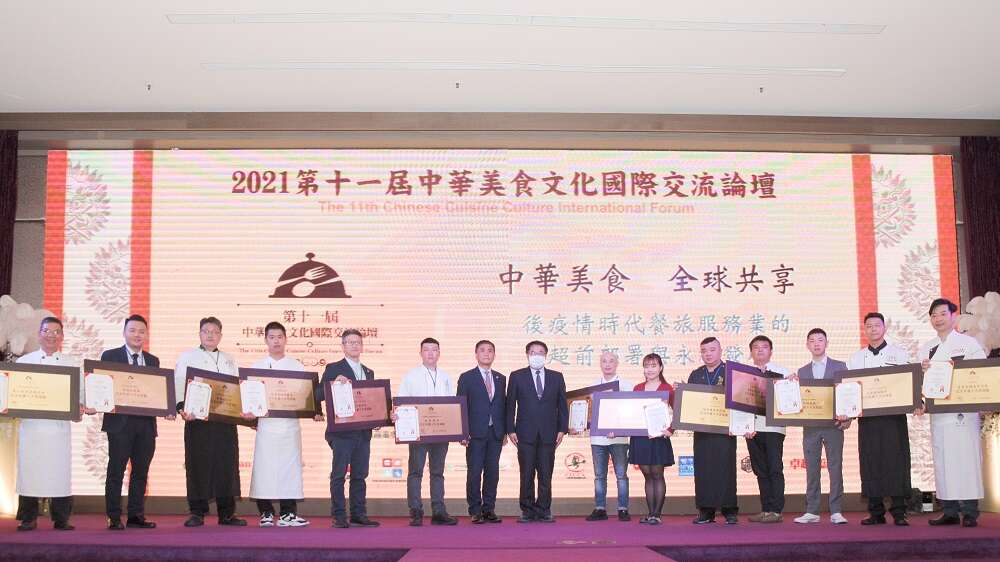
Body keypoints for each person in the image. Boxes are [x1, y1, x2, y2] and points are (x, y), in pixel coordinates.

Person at [918, 298, 986, 528]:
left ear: (953, 316)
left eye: (942, 314)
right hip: (939, 416)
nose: (938, 319)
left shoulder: (969, 344)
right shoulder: (926, 348)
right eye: (933, 315)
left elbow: (981, 374)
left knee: (967, 461)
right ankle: (949, 511)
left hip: (963, 414)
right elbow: (919, 384)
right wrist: (921, 386)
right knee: (943, 462)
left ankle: (970, 511)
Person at [175, 317, 245, 527]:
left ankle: (227, 513)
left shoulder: (230, 359)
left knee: (226, 465)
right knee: (198, 465)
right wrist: (182, 408)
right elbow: (178, 385)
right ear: (199, 334)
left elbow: (237, 390)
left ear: (220, 335)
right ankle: (197, 512)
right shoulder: (187, 357)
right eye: (206, 331)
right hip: (197, 420)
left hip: (225, 421)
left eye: (214, 332)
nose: (210, 335)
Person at [14, 317, 83, 531]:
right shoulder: (23, 362)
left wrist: (80, 407)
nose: (51, 335)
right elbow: (13, 393)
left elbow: (80, 394)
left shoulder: (72, 364)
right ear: (39, 334)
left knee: (59, 473)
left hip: (58, 430)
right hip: (32, 428)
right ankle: (28, 517)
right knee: (29, 471)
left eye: (56, 332)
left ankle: (61, 518)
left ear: (62, 336)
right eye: (46, 331)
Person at [848, 312, 913, 526]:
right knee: (871, 462)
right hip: (868, 419)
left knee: (896, 462)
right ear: (864, 330)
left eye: (877, 325)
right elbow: (850, 390)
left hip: (893, 419)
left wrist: (917, 401)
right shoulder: (856, 359)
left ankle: (899, 512)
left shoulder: (899, 354)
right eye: (869, 326)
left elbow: (909, 382)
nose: (873, 329)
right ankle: (875, 512)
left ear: (884, 328)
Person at [101, 314, 164, 530]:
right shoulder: (110, 356)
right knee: (116, 471)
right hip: (120, 424)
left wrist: (167, 408)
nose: (137, 335)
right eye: (133, 330)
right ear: (124, 333)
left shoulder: (153, 360)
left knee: (141, 472)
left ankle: (136, 515)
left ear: (146, 335)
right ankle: (113, 516)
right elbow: (101, 386)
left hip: (146, 425)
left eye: (141, 331)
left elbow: (157, 392)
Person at [245, 321, 309, 527]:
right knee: (264, 468)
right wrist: (249, 413)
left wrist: (314, 410)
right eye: (272, 337)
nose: (276, 341)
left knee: (289, 469)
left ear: (285, 339)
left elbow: (305, 397)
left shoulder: (297, 366)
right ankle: (265, 512)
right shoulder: (256, 367)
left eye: (280, 337)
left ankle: (288, 513)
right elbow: (249, 398)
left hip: (289, 426)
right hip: (267, 426)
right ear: (265, 340)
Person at [317, 328, 380, 528]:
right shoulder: (334, 368)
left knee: (360, 475)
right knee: (338, 475)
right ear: (343, 346)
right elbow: (318, 394)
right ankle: (338, 515)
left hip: (363, 432)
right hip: (342, 432)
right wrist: (333, 384)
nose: (354, 345)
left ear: (362, 346)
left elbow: (372, 400)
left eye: (357, 342)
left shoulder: (368, 372)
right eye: (350, 342)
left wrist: (378, 418)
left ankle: (358, 514)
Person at [397, 338, 458, 526]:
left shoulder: (446, 377)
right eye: (427, 350)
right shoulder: (411, 376)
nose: (431, 353)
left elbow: (452, 406)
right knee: (415, 472)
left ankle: (438, 511)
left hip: (441, 432)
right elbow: (401, 402)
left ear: (439, 353)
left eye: (434, 350)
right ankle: (415, 511)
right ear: (420, 353)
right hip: (418, 432)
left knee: (437, 472)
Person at [506, 340, 568, 523]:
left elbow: (562, 406)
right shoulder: (517, 376)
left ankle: (544, 509)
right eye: (533, 352)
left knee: (545, 473)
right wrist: (510, 429)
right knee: (526, 474)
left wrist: (562, 429)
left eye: (541, 352)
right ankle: (527, 510)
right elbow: (510, 405)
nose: (537, 355)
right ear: (527, 355)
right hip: (524, 433)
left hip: (550, 434)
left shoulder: (557, 377)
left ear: (546, 356)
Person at [793, 328, 850, 525]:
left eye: (820, 340)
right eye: (812, 340)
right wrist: (790, 386)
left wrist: (848, 418)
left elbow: (847, 394)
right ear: (807, 345)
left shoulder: (840, 366)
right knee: (812, 469)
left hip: (834, 425)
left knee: (835, 467)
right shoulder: (802, 371)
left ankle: (836, 510)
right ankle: (812, 510)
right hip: (810, 427)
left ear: (827, 343)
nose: (816, 344)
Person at [688, 337, 738, 525]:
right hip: (702, 431)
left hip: (725, 430)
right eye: (704, 351)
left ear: (720, 350)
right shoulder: (696, 374)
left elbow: (739, 399)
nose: (708, 354)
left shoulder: (731, 372)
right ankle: (705, 511)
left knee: (726, 469)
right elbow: (690, 403)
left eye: (712, 349)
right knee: (703, 469)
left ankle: (729, 510)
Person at [456, 340, 506, 524]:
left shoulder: (501, 378)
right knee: (475, 472)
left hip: (495, 433)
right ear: (476, 354)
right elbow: (461, 406)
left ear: (494, 355)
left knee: (492, 472)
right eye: (482, 350)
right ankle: (475, 510)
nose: (486, 353)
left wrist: (505, 431)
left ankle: (489, 509)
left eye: (490, 350)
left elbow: (503, 406)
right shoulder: (466, 377)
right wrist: (463, 432)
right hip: (474, 434)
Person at [743, 335, 791, 524]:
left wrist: (793, 384)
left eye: (764, 347)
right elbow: (739, 403)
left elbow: (790, 401)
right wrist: (743, 426)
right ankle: (766, 509)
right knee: (760, 470)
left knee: (774, 468)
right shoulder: (744, 374)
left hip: (774, 428)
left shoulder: (783, 372)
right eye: (756, 347)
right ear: (751, 352)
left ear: (771, 351)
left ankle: (776, 511)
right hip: (752, 428)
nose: (760, 350)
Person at [580, 351, 630, 522]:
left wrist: (618, 428)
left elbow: (629, 412)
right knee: (599, 476)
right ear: (600, 364)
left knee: (621, 475)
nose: (607, 364)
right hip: (597, 438)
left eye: (611, 361)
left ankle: (623, 509)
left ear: (617, 363)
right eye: (604, 361)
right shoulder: (593, 386)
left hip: (619, 438)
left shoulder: (626, 385)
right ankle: (600, 508)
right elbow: (589, 412)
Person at [628, 353, 674, 525]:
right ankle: (650, 513)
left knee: (657, 474)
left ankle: (657, 514)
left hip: (659, 437)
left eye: (654, 366)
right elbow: (632, 412)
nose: (650, 369)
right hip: (640, 438)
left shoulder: (667, 388)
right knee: (647, 475)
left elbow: (678, 412)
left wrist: (671, 429)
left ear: (660, 368)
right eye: (647, 366)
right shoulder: (638, 388)